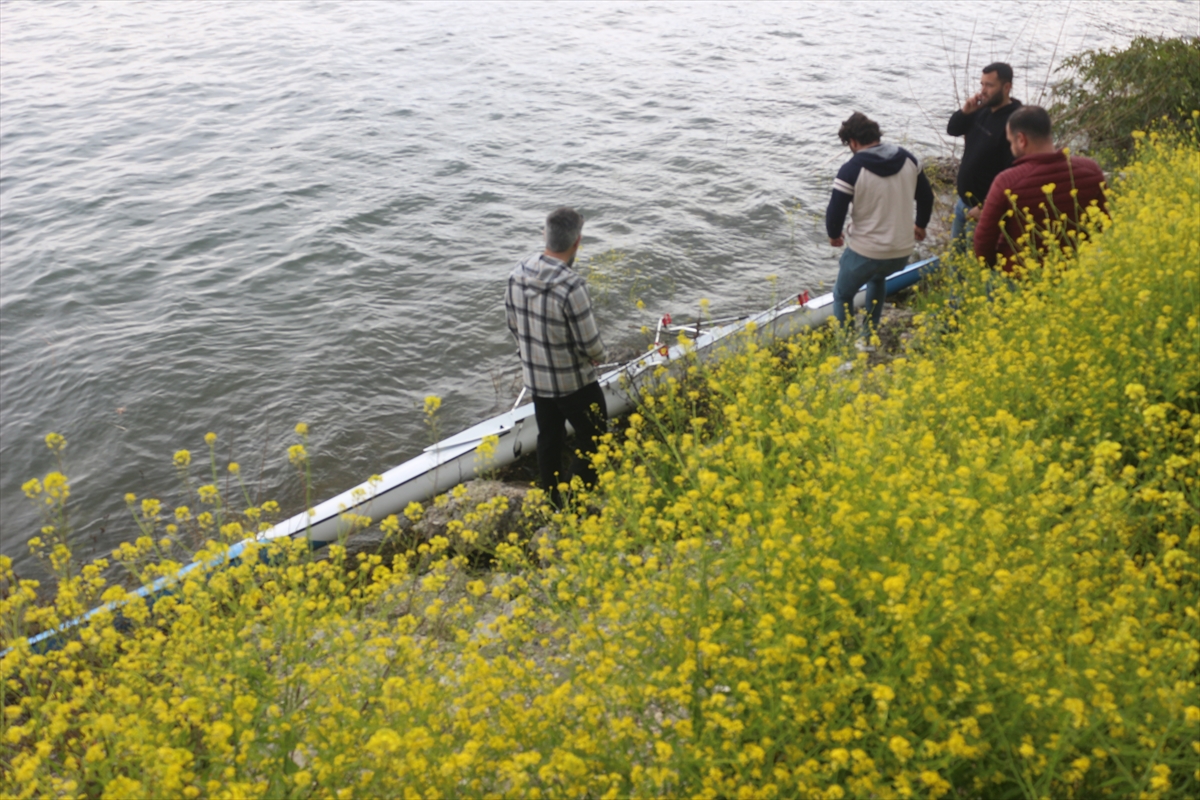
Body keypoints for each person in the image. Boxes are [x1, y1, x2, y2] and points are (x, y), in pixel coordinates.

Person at [505, 207, 608, 501]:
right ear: (577, 243)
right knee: (596, 437)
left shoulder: (517, 273)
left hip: (536, 380)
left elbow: (513, 325)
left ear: (544, 235)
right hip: (574, 383)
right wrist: (600, 355)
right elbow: (591, 345)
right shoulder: (572, 286)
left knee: (548, 438)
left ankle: (552, 498)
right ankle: (578, 498)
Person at [826, 112, 934, 346]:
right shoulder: (909, 160)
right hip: (901, 252)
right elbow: (926, 197)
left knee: (842, 295)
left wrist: (834, 235)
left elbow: (835, 211)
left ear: (853, 142)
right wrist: (921, 225)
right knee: (877, 279)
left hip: (865, 252)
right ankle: (868, 337)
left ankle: (846, 349)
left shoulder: (851, 169)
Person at [973, 105, 1107, 271]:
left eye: (1010, 142)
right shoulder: (1091, 170)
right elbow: (1103, 223)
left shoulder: (1007, 182)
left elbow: (983, 241)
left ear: (1021, 140)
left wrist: (993, 267)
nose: (1010, 147)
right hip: (1076, 272)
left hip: (1021, 277)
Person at [947, 63, 1022, 247]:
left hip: (985, 211)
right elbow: (953, 129)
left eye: (989, 85)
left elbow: (1015, 173)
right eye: (982, 84)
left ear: (1006, 87)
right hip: (963, 204)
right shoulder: (981, 110)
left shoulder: (1016, 121)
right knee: (954, 264)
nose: (983, 91)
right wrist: (965, 112)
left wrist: (986, 207)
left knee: (975, 265)